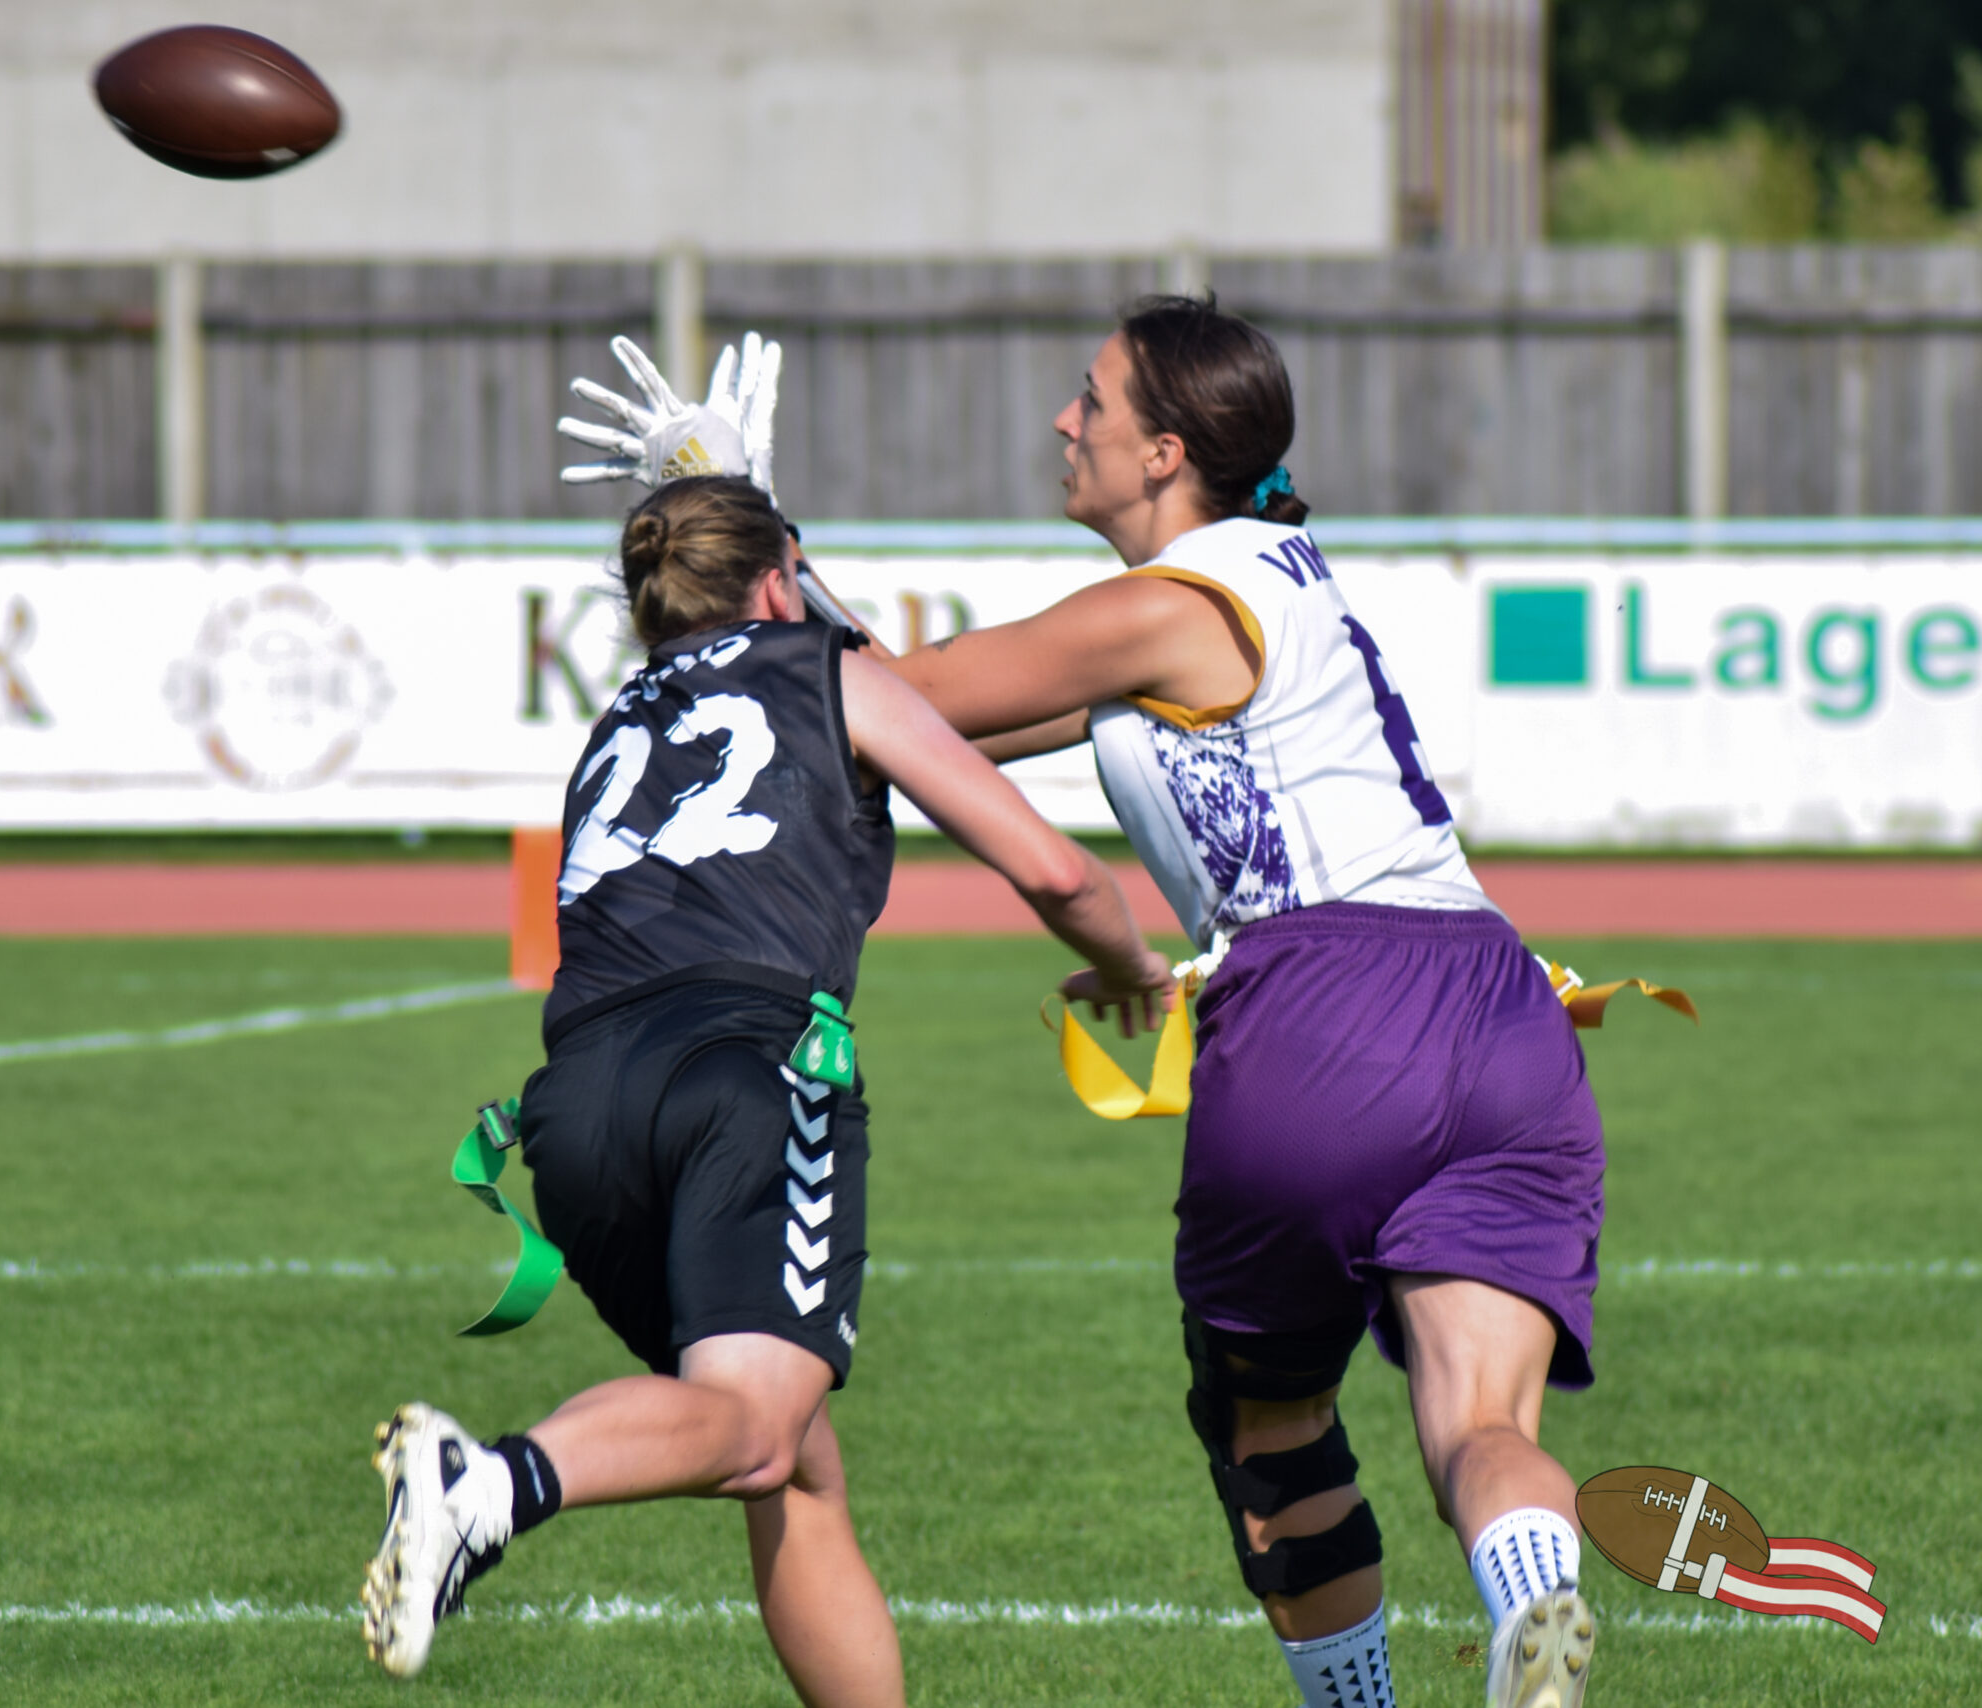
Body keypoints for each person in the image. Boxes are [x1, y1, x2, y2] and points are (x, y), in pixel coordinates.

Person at [873, 295, 1604, 1708]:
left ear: (1164, 454)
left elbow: (897, 694)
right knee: (1477, 1417)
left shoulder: (1162, 604)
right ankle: (1537, 1604)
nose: (1062, 421)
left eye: (1090, 399)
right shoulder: (1269, 580)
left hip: (1326, 1010)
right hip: (1503, 1006)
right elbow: (925, 719)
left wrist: (738, 549)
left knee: (1269, 1427)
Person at [359, 473, 1177, 1704]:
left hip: (573, 1112)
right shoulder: (829, 671)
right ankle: (487, 1487)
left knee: (793, 1458)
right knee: (747, 1426)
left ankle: (495, 1488)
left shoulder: (618, 720)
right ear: (782, 581)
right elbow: (1055, 872)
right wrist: (1133, 965)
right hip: (748, 1073)